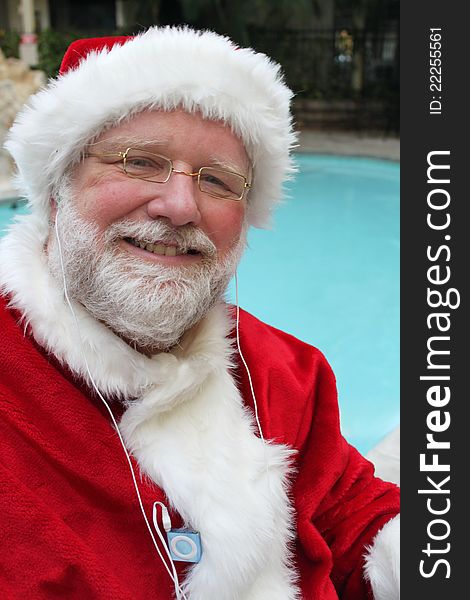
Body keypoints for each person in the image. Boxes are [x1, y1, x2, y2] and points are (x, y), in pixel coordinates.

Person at [0, 27, 399, 600]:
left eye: (217, 180)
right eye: (140, 162)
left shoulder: (284, 370)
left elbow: (350, 513)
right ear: (58, 184)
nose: (181, 206)